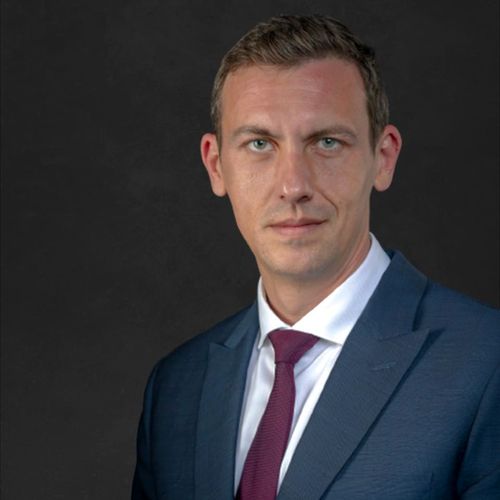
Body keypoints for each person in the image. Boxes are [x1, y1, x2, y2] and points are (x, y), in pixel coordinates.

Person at [132, 14, 499, 500]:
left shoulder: (486, 364)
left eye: (327, 142)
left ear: (383, 157)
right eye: (259, 144)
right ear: (217, 166)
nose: (293, 186)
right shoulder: (177, 386)